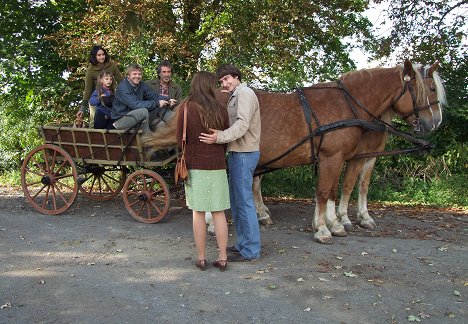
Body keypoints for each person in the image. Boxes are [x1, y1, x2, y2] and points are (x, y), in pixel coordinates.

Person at [199, 64, 261, 262]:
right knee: (236, 202)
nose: (224, 84)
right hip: (238, 152)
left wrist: (219, 137)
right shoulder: (236, 95)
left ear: (236, 76)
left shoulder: (245, 94)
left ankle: (251, 250)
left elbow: (242, 124)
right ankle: (243, 245)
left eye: (227, 79)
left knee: (244, 202)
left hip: (245, 153)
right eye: (222, 81)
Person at [178, 71, 230, 271]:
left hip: (194, 166)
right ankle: (223, 257)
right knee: (219, 212)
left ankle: (201, 258)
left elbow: (179, 139)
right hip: (217, 165)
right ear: (209, 86)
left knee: (198, 213)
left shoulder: (185, 108)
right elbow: (224, 137)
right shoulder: (220, 109)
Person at [111, 63, 176, 134]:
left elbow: (154, 96)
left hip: (136, 116)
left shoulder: (141, 85)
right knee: (143, 111)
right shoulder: (123, 87)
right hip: (121, 120)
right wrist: (157, 103)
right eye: (134, 74)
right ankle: (147, 139)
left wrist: (168, 100)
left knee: (162, 108)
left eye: (139, 74)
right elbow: (136, 104)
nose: (137, 76)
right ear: (128, 75)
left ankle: (178, 126)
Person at [76, 45, 123, 128]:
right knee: (93, 121)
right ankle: (94, 138)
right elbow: (88, 90)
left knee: (114, 119)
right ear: (95, 57)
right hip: (97, 97)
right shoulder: (91, 70)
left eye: (103, 54)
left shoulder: (111, 65)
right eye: (99, 55)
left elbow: (121, 82)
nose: (102, 57)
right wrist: (82, 108)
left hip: (111, 96)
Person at [145, 60, 183, 130]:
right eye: (164, 72)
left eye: (169, 72)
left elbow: (180, 104)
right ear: (159, 73)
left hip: (168, 112)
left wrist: (173, 104)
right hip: (153, 114)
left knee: (179, 123)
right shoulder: (148, 85)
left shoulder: (177, 88)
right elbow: (143, 101)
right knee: (161, 126)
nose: (166, 74)